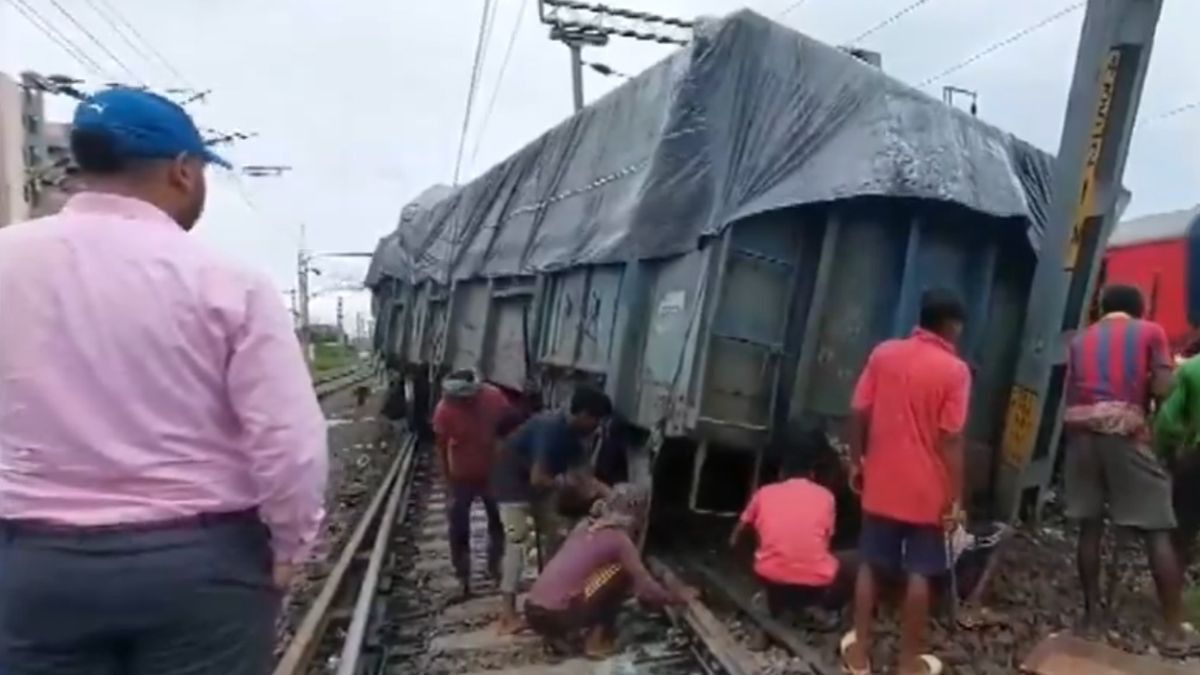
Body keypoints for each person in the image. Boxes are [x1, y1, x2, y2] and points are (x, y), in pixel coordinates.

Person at [0, 89, 327, 674]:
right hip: (199, 568)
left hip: (33, 568)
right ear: (183, 171)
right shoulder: (229, 282)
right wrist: (289, 548)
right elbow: (289, 442)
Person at [1061, 284, 1199, 656]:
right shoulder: (1149, 331)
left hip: (1080, 437)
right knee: (1157, 526)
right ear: (1137, 310)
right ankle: (1173, 629)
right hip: (1125, 434)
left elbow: (1072, 389)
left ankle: (1091, 618)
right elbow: (1164, 387)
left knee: (1089, 526)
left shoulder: (1079, 340)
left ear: (1103, 308)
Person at [841, 289, 971, 675]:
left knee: (870, 565)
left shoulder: (884, 354)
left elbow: (857, 410)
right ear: (952, 326)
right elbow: (952, 440)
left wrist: (856, 461)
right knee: (920, 572)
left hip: (881, 483)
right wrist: (955, 498)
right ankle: (907, 663)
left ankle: (859, 655)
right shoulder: (955, 371)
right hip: (927, 492)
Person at [493, 386, 614, 634]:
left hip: (539, 487)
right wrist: (566, 483)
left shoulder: (577, 435)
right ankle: (507, 615)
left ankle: (547, 602)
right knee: (519, 544)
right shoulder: (551, 429)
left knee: (557, 539)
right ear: (582, 414)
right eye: (596, 419)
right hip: (512, 484)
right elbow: (539, 477)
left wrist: (613, 496)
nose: (598, 426)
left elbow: (585, 475)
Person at [524, 484, 691, 658]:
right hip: (557, 615)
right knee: (619, 575)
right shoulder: (619, 540)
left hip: (533, 611)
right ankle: (595, 642)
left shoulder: (584, 526)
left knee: (587, 580)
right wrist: (678, 597)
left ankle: (559, 636)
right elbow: (646, 590)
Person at [729, 447, 857, 640]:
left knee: (765, 544)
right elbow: (825, 542)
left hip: (770, 578)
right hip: (816, 585)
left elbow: (735, 539)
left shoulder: (765, 492)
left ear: (781, 473)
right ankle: (816, 608)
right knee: (852, 560)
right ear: (813, 474)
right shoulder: (826, 497)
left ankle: (774, 600)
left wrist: (756, 558)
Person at [430, 369, 517, 599]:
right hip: (462, 477)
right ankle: (463, 577)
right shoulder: (444, 410)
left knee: (499, 523)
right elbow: (440, 449)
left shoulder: (494, 398)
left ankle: (495, 565)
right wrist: (446, 484)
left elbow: (511, 430)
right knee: (458, 529)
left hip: (493, 474)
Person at [1155, 351, 1200, 570]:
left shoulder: (1192, 368)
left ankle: (1172, 593)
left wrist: (1162, 452)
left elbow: (1166, 422)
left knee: (1182, 528)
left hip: (1196, 458)